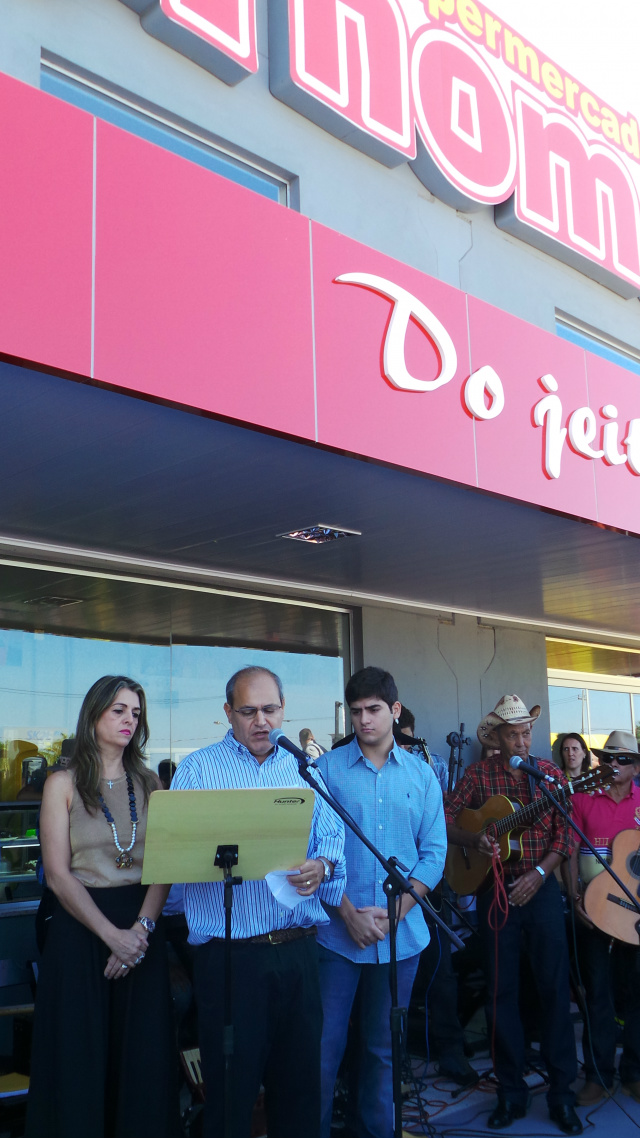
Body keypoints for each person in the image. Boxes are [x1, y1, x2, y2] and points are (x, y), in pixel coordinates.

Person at [171, 664, 346, 1138]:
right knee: (231, 1094)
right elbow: (176, 855)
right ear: (228, 712)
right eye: (248, 711)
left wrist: (322, 868)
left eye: (270, 709)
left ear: (284, 709)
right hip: (231, 960)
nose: (261, 721)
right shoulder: (198, 769)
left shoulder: (303, 767)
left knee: (300, 1092)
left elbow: (333, 842)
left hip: (297, 952)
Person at [26, 675, 179, 1138]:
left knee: (144, 1059)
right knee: (78, 1058)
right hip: (80, 928)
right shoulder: (62, 783)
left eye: (135, 712)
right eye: (118, 710)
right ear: (93, 715)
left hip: (141, 927)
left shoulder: (151, 782)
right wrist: (113, 936)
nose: (129, 719)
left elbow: (164, 865)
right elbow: (57, 874)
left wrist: (141, 930)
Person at [315, 667, 447, 1138]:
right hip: (336, 934)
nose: (364, 720)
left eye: (373, 710)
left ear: (394, 710)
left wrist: (398, 913)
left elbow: (433, 854)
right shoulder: (325, 771)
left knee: (382, 1049)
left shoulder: (422, 774)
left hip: (401, 937)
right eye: (356, 712)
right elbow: (312, 853)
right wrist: (348, 913)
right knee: (324, 1048)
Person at [445, 694, 581, 1135]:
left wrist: (541, 874)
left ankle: (562, 1093)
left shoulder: (551, 775)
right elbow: (444, 819)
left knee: (554, 989)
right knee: (500, 994)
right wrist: (473, 842)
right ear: (498, 737)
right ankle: (510, 1093)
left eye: (527, 732)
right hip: (494, 890)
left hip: (538, 894)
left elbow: (566, 836)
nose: (523, 739)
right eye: (514, 733)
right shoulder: (478, 774)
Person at [398, 706, 478, 1087]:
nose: (405, 746)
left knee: (441, 972)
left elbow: (441, 824)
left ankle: (450, 1051)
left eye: (409, 738)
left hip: (427, 883)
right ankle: (392, 1059)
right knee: (383, 982)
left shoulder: (430, 766)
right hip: (381, 886)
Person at [568, 730, 640, 1106]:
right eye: (608, 757)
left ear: (636, 767)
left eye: (623, 759)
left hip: (635, 914)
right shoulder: (582, 797)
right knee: (597, 995)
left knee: (637, 996)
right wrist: (573, 897)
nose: (614, 764)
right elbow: (567, 850)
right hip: (593, 912)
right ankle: (598, 1075)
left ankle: (635, 1072)